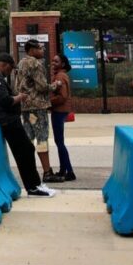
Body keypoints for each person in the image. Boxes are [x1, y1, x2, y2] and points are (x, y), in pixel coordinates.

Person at [0, 54, 54, 196]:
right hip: (8, 121)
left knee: (26, 150)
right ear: (5, 65)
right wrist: (20, 97)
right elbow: (6, 101)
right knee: (25, 151)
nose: (10, 73)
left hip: (5, 120)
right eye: (10, 69)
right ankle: (33, 186)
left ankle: (35, 184)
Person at [16, 41, 55, 180]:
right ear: (32, 50)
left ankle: (29, 170)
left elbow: (17, 85)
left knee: (28, 139)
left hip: (25, 106)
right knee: (42, 138)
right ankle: (47, 172)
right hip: (38, 107)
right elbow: (42, 86)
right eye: (40, 48)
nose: (42, 50)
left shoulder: (21, 63)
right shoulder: (36, 64)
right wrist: (55, 85)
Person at [47, 53, 77, 182]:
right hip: (61, 111)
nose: (53, 63)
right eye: (53, 61)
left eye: (56, 62)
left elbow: (63, 96)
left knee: (59, 142)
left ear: (62, 64)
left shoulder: (60, 76)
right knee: (59, 142)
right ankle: (63, 169)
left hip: (59, 111)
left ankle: (69, 171)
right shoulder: (62, 75)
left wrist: (48, 102)